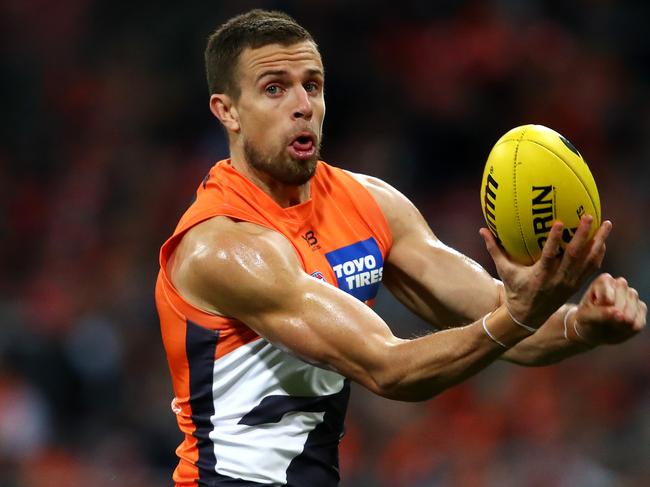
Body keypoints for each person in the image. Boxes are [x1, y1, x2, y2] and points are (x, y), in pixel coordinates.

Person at [154, 9, 646, 487]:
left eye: (313, 85)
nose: (302, 104)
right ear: (228, 111)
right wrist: (519, 315)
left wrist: (583, 324)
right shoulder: (222, 245)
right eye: (274, 88)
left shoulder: (371, 204)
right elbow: (387, 367)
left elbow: (507, 317)